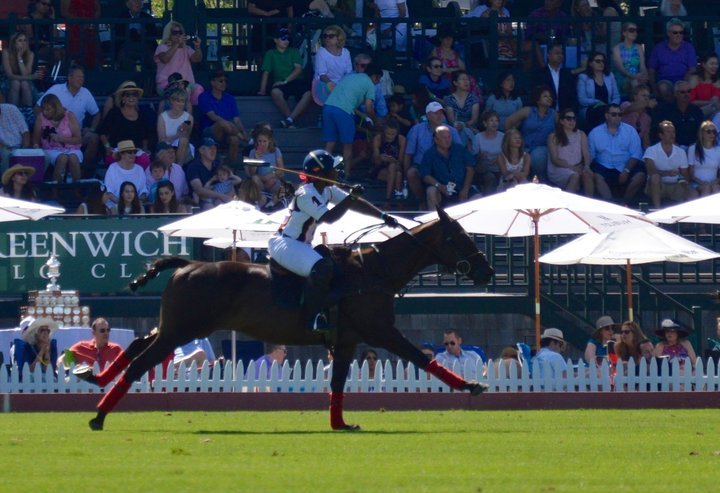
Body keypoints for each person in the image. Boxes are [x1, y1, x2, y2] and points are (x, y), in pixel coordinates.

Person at [267, 149, 398, 333]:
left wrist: (383, 216)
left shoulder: (326, 189)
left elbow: (354, 203)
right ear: (321, 174)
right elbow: (329, 217)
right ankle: (311, 318)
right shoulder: (305, 194)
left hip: (301, 244)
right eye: (333, 169)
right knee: (321, 268)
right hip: (285, 244)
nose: (336, 172)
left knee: (334, 262)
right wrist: (352, 197)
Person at [321, 63, 383, 179]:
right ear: (375, 76)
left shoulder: (350, 77)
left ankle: (323, 173)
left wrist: (363, 115)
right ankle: (346, 174)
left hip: (328, 107)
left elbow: (346, 101)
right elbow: (369, 108)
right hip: (344, 112)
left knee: (330, 143)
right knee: (347, 145)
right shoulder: (370, 85)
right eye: (379, 79)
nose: (378, 82)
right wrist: (376, 122)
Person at [40, 65, 101, 177]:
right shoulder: (56, 89)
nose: (81, 79)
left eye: (82, 77)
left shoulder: (86, 92)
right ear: (70, 78)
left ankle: (83, 172)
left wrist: (91, 129)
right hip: (56, 130)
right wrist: (45, 124)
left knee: (94, 137)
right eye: (78, 77)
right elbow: (38, 106)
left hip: (77, 131)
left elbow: (96, 114)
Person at [404, 102, 462, 205]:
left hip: (444, 166)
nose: (439, 116)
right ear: (427, 115)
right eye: (435, 113)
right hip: (421, 166)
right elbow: (408, 154)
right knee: (411, 173)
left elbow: (459, 152)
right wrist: (405, 175)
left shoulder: (451, 130)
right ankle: (421, 201)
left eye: (441, 113)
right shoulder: (416, 130)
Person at [588, 103, 645, 204]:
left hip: (626, 165)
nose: (618, 117)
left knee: (640, 176)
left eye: (620, 114)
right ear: (606, 116)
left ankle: (624, 203)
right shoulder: (595, 133)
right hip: (604, 167)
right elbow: (591, 156)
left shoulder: (630, 131)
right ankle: (611, 205)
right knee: (596, 176)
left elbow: (636, 154)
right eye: (614, 114)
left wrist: (626, 170)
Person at [258, 27, 314, 129]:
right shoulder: (270, 54)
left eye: (288, 38)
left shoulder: (294, 51)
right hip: (280, 83)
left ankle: (289, 120)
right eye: (283, 38)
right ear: (275, 40)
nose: (286, 41)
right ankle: (290, 120)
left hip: (294, 81)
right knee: (275, 92)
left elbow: (298, 70)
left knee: (308, 94)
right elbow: (266, 72)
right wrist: (262, 90)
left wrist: (285, 81)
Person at [505, 86, 557, 182]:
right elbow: (509, 121)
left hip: (543, 148)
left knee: (538, 155)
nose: (549, 98)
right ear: (537, 99)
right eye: (545, 96)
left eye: (550, 96)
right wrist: (511, 137)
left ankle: (541, 181)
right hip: (523, 147)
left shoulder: (554, 114)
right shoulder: (528, 111)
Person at [96, 81, 153, 168]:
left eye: (134, 94)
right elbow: (102, 132)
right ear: (122, 98)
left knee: (145, 160)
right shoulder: (114, 113)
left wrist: (145, 148)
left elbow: (145, 136)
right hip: (118, 151)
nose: (131, 97)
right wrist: (107, 147)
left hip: (136, 151)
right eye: (127, 95)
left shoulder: (142, 115)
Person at [198, 69, 248, 165]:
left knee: (235, 140)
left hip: (228, 132)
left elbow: (236, 119)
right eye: (221, 81)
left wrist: (244, 131)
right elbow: (212, 116)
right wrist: (230, 126)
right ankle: (246, 140)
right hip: (210, 131)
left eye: (225, 81)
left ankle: (229, 168)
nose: (224, 83)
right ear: (212, 82)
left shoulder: (230, 98)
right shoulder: (204, 96)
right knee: (221, 123)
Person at [643, 120, 696, 209]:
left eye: (673, 132)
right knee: (655, 177)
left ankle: (684, 220)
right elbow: (651, 171)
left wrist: (682, 180)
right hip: (658, 186)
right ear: (661, 135)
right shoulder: (651, 150)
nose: (672, 135)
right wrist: (667, 173)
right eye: (668, 132)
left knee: (693, 193)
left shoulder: (681, 152)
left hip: (675, 186)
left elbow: (685, 175)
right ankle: (658, 211)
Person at [420, 124, 476, 209]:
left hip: (461, 187)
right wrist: (439, 186)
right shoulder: (429, 154)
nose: (447, 140)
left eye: (449, 137)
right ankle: (434, 220)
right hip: (441, 190)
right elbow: (425, 175)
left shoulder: (459, 149)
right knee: (431, 191)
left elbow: (470, 168)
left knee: (478, 198)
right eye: (444, 138)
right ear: (436, 140)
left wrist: (465, 189)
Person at [33, 93, 83, 183]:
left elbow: (78, 139)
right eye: (43, 109)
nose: (45, 112)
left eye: (48, 109)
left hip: (72, 148)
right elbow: (35, 140)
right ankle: (55, 190)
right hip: (50, 149)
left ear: (56, 108)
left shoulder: (69, 115)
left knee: (73, 158)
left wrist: (61, 139)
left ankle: (76, 189)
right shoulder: (41, 118)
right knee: (62, 158)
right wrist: (36, 147)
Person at [154, 20, 203, 104]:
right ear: (169, 34)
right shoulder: (162, 48)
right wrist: (176, 44)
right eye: (175, 33)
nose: (178, 35)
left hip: (186, 84)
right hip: (166, 83)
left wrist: (197, 47)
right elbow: (165, 59)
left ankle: (192, 115)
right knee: (182, 91)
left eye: (180, 32)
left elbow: (197, 59)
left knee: (198, 89)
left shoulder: (186, 48)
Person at [547, 108, 593, 195]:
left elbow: (586, 153)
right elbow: (554, 159)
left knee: (587, 174)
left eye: (574, 118)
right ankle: (567, 204)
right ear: (561, 121)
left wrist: (587, 166)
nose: (572, 121)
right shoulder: (553, 136)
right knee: (574, 176)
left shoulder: (581, 134)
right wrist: (571, 168)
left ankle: (589, 203)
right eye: (568, 118)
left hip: (577, 166)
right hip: (559, 168)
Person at [647, 18, 697, 94]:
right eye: (675, 32)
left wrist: (683, 82)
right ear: (668, 33)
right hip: (664, 80)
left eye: (681, 32)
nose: (678, 35)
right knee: (663, 87)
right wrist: (653, 88)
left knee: (688, 84)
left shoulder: (688, 47)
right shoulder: (658, 48)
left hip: (683, 79)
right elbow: (651, 70)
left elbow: (692, 69)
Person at [652, 80, 704, 150]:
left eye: (689, 91)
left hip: (694, 149)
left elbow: (702, 131)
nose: (686, 94)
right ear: (675, 94)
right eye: (682, 92)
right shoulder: (664, 110)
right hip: (671, 147)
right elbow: (657, 131)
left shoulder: (696, 111)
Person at [577, 51, 621, 131]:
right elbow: (582, 99)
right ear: (590, 63)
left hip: (609, 108)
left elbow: (616, 96)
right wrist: (597, 102)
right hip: (590, 108)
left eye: (603, 61)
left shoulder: (610, 76)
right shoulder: (583, 77)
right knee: (602, 112)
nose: (601, 63)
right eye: (598, 61)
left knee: (609, 112)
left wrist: (611, 106)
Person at [313, 25, 352, 104]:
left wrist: (344, 85)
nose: (327, 38)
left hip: (342, 83)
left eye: (331, 36)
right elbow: (322, 75)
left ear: (339, 38)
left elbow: (348, 72)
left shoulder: (346, 52)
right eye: (325, 36)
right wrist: (334, 85)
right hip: (325, 83)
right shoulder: (321, 52)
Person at [103, 140, 148, 209]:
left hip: (135, 208)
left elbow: (143, 192)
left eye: (134, 152)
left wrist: (135, 204)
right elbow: (109, 192)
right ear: (121, 154)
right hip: (114, 207)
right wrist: (123, 205)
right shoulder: (112, 168)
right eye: (130, 152)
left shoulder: (139, 169)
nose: (133, 155)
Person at [115, 0, 159, 71]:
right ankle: (130, 79)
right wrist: (135, 32)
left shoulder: (147, 17)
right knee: (125, 59)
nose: (137, 3)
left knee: (151, 59)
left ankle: (150, 79)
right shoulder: (121, 17)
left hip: (145, 45)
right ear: (127, 4)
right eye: (135, 1)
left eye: (140, 1)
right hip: (127, 46)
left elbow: (153, 33)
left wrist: (140, 33)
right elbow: (119, 33)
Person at [534, 43, 578, 113]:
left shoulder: (567, 74)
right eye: (557, 53)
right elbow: (536, 94)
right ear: (548, 55)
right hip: (545, 112)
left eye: (562, 53)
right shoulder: (539, 74)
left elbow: (573, 95)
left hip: (564, 113)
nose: (560, 55)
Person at [1, 32, 41, 107]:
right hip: (7, 81)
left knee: (24, 83)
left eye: (25, 40)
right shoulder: (6, 52)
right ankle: (13, 111)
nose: (23, 43)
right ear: (14, 43)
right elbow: (10, 76)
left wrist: (19, 58)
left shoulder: (30, 54)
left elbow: (25, 73)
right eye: (20, 40)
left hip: (25, 82)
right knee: (16, 83)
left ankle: (28, 112)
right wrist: (30, 77)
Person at [186, 136, 226, 209]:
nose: (213, 151)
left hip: (218, 199)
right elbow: (199, 190)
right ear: (201, 150)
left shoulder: (218, 164)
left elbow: (229, 182)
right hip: (200, 202)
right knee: (210, 208)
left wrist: (228, 197)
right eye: (210, 148)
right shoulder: (193, 167)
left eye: (215, 148)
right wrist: (221, 196)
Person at [157, 88, 193, 166]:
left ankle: (178, 169)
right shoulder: (162, 117)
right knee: (167, 149)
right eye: (178, 101)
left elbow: (186, 137)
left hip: (184, 148)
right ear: (171, 101)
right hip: (166, 146)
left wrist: (181, 134)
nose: (180, 104)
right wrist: (177, 135)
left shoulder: (189, 117)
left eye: (182, 101)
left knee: (183, 140)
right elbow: (161, 140)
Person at [444, 71, 480, 148]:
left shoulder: (474, 99)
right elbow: (451, 121)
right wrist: (457, 125)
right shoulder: (449, 99)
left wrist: (464, 125)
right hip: (454, 129)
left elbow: (474, 120)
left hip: (470, 128)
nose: (466, 81)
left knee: (466, 132)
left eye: (467, 79)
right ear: (455, 83)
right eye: (462, 79)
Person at [612, 22, 648, 99]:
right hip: (623, 79)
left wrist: (643, 74)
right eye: (631, 30)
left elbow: (642, 66)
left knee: (641, 82)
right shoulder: (617, 48)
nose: (635, 33)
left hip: (637, 77)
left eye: (636, 30)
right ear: (624, 33)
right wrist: (633, 76)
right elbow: (621, 69)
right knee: (635, 83)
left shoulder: (639, 47)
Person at [472, 110, 504, 195]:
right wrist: (480, 156)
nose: (494, 123)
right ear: (485, 123)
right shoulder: (477, 137)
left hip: (500, 168)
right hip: (483, 170)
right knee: (490, 177)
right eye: (491, 120)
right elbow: (473, 157)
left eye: (496, 121)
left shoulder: (503, 137)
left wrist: (499, 159)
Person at [371, 120, 405, 201]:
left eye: (393, 134)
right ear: (384, 132)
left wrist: (393, 160)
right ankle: (399, 199)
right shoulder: (378, 139)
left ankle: (388, 198)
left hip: (396, 165)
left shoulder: (401, 140)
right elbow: (376, 161)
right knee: (398, 175)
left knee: (393, 167)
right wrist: (380, 157)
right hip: (381, 168)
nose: (390, 136)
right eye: (388, 134)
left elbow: (401, 161)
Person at [61, 0, 101, 69]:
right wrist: (80, 23)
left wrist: (91, 22)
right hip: (74, 31)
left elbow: (98, 10)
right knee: (76, 55)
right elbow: (64, 12)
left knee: (93, 54)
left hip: (90, 30)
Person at [245, 127, 284, 195]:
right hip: (259, 181)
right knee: (254, 179)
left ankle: (269, 199)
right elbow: (251, 173)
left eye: (264, 141)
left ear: (269, 140)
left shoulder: (276, 151)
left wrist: (270, 176)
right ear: (256, 141)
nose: (262, 144)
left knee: (277, 183)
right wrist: (256, 160)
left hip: (273, 178)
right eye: (259, 141)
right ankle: (262, 195)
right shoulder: (253, 152)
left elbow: (281, 169)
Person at [688, 120, 720, 197]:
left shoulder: (719, 150)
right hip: (696, 183)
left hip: (714, 182)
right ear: (701, 133)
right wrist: (702, 182)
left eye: (714, 132)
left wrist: (715, 182)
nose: (711, 134)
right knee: (706, 188)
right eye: (708, 131)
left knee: (716, 188)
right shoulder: (693, 149)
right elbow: (691, 173)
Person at [620, 84, 655, 149]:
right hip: (619, 144)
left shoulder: (647, 118)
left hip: (634, 149)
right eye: (643, 95)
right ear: (635, 97)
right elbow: (629, 109)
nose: (646, 98)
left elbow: (646, 140)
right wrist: (647, 104)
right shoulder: (626, 105)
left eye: (648, 96)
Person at [0, 103, 31, 171]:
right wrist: (9, 149)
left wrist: (24, 149)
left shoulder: (11, 109)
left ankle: (35, 180)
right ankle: (4, 180)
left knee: (46, 157)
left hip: (20, 146)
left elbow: (25, 131)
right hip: (4, 148)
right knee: (6, 154)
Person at [688, 53, 720, 118]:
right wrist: (708, 103)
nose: (715, 66)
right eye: (712, 64)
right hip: (696, 111)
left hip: (714, 109)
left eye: (716, 64)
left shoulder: (717, 80)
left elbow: (715, 99)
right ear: (704, 65)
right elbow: (690, 101)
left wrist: (714, 102)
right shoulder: (695, 78)